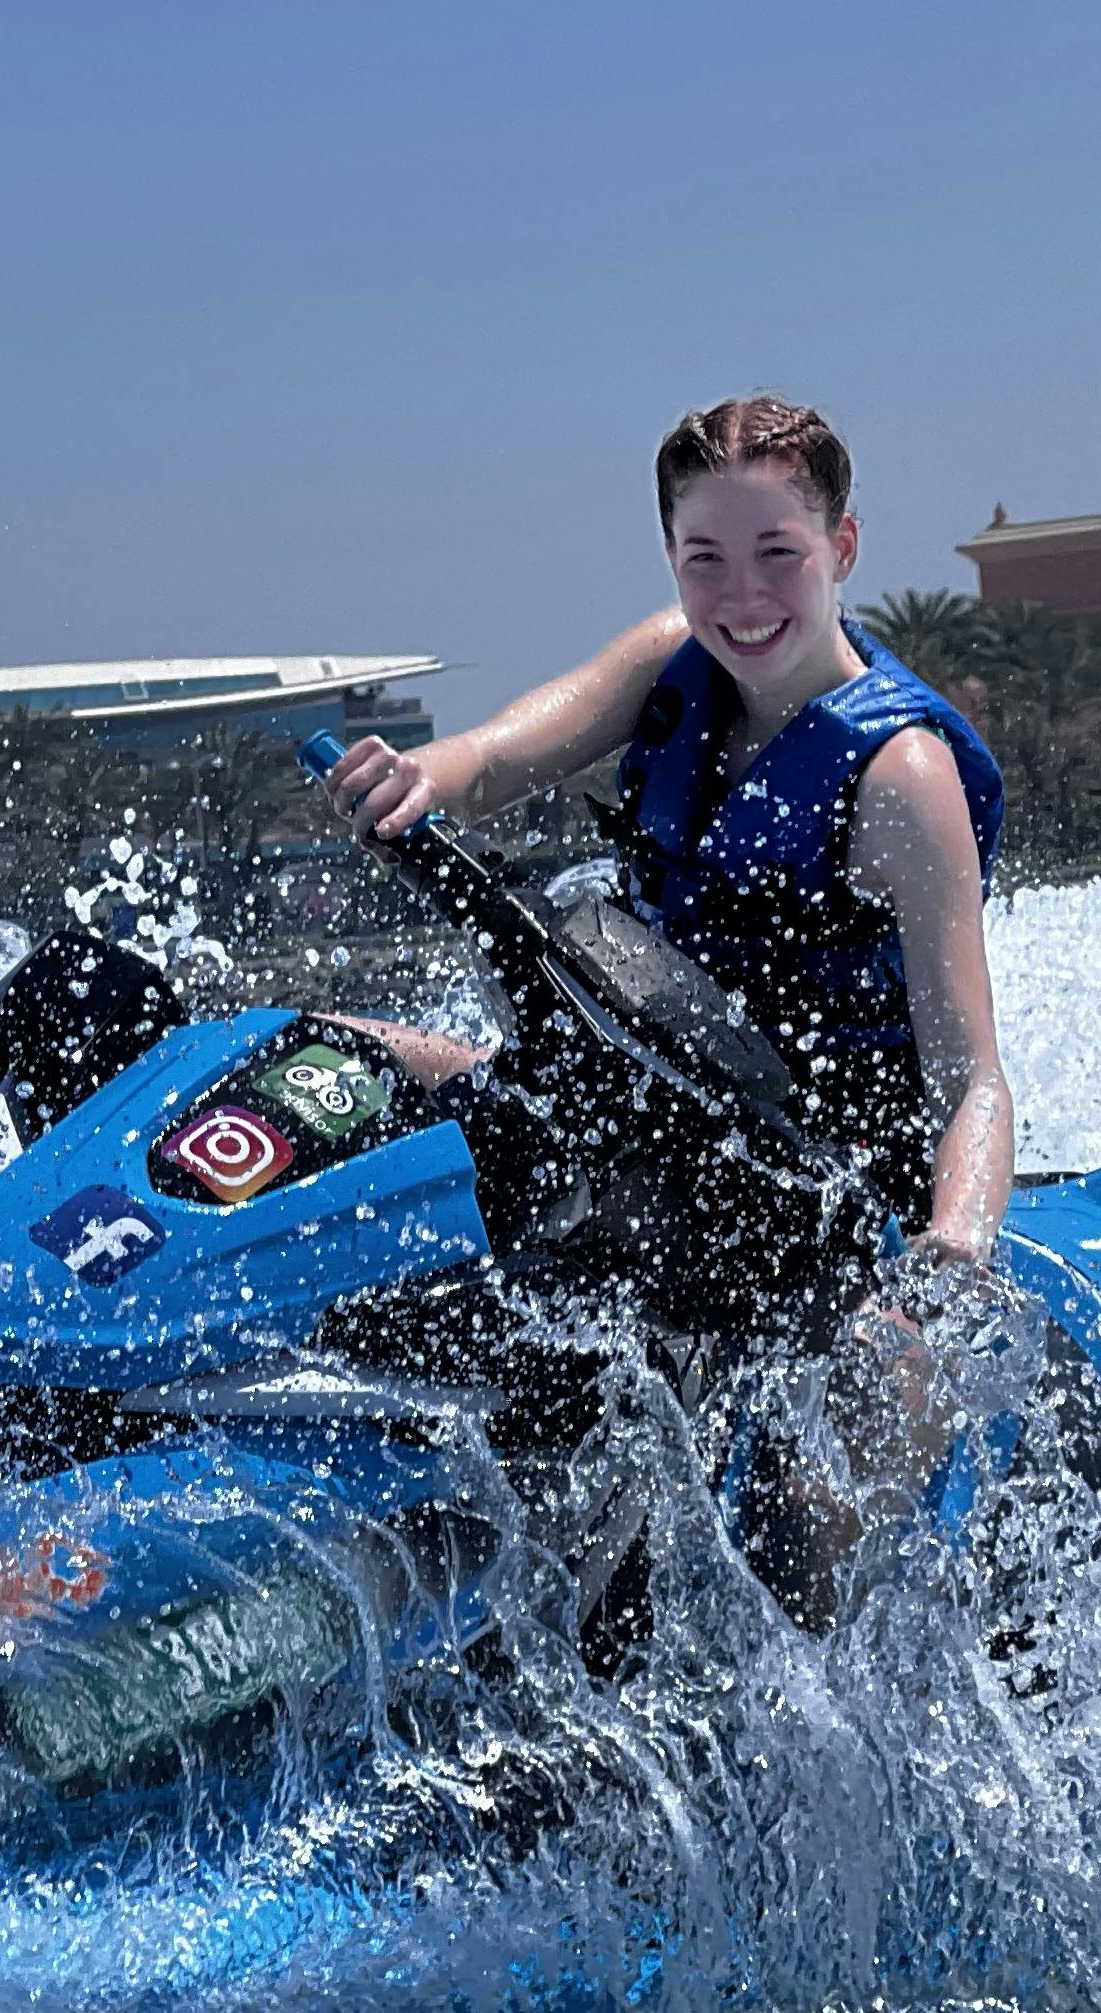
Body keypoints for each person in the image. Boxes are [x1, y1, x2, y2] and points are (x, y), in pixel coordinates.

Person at [320, 395, 1020, 1621]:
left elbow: (973, 1079)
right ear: (672, 559)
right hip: (638, 1126)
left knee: (815, 1490)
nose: (742, 596)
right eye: (706, 558)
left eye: (778, 556)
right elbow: (484, 760)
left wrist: (948, 1259)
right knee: (311, 1064)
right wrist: (415, 775)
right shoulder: (667, 665)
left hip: (818, 1205)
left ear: (843, 550)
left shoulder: (900, 777)